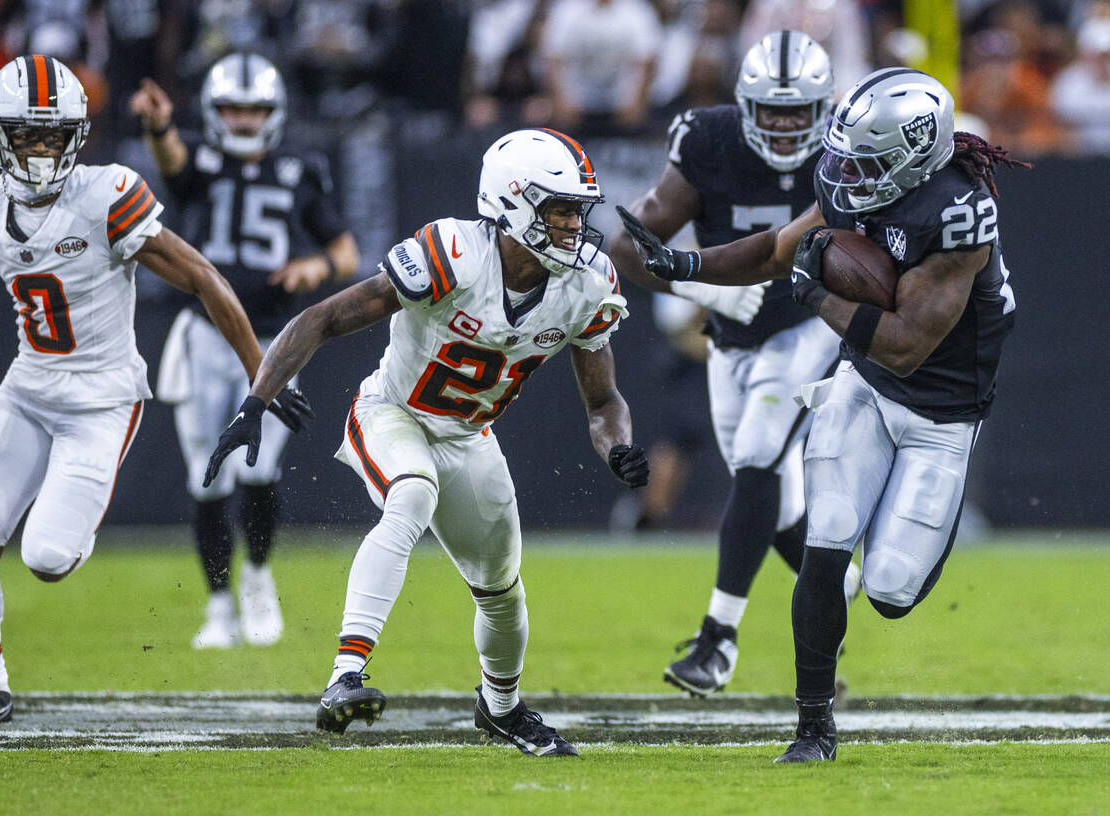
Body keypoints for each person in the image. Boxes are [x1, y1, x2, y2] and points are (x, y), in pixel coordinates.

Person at [618, 66, 1024, 762]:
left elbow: (904, 345)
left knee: (892, 591)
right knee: (826, 540)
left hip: (942, 413)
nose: (844, 174)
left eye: (864, 161)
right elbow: (780, 251)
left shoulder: (959, 212)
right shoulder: (852, 184)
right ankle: (813, 729)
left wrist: (820, 297)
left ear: (912, 157)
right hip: (862, 387)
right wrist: (686, 267)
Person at [204, 128, 648, 757]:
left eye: (579, 209)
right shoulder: (453, 253)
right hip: (394, 413)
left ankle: (501, 710)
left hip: (470, 435)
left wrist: (618, 448)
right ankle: (345, 676)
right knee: (410, 494)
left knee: (502, 587)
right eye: (560, 208)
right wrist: (257, 399)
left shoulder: (586, 284)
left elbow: (604, 403)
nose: (575, 224)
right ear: (513, 202)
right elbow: (323, 317)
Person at [0, 55, 311, 726]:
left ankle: (78, 513)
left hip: (102, 397)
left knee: (47, 558)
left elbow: (203, 278)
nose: (41, 150)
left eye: (53, 135)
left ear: (76, 137)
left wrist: (261, 372)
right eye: (27, 134)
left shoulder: (104, 194)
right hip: (28, 387)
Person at [608, 30, 858, 697]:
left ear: (824, 107)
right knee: (772, 505)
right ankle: (837, 585)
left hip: (808, 327)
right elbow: (629, 244)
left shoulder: (846, 150)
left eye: (796, 112)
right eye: (771, 112)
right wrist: (702, 287)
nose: (782, 127)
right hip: (729, 337)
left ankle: (717, 641)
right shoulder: (708, 141)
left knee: (754, 459)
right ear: (745, 106)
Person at [130, 53, 360, 650]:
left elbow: (346, 251)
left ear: (274, 112)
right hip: (205, 339)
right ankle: (217, 605)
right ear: (212, 112)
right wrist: (158, 127)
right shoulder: (200, 161)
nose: (242, 119)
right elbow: (174, 162)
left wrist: (317, 264)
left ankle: (256, 578)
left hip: (275, 343)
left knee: (258, 468)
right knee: (207, 476)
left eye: (253, 109)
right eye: (231, 108)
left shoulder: (298, 169)